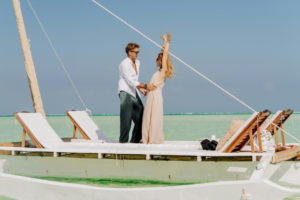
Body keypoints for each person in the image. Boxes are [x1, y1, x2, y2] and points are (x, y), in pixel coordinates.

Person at [118, 43, 157, 143]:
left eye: (138, 52)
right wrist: (145, 86)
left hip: (134, 92)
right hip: (125, 92)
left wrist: (140, 89)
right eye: (136, 52)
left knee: (142, 116)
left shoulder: (138, 62)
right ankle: (123, 142)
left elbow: (134, 79)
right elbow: (129, 81)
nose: (138, 54)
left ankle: (134, 140)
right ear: (129, 52)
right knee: (126, 119)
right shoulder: (124, 64)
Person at [142, 32, 175, 144]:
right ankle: (147, 139)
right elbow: (162, 52)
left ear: (160, 61)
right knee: (148, 119)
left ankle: (154, 140)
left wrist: (168, 42)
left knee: (154, 119)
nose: (156, 60)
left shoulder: (163, 72)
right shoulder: (159, 72)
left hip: (156, 97)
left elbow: (164, 53)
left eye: (157, 59)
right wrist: (164, 41)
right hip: (151, 96)